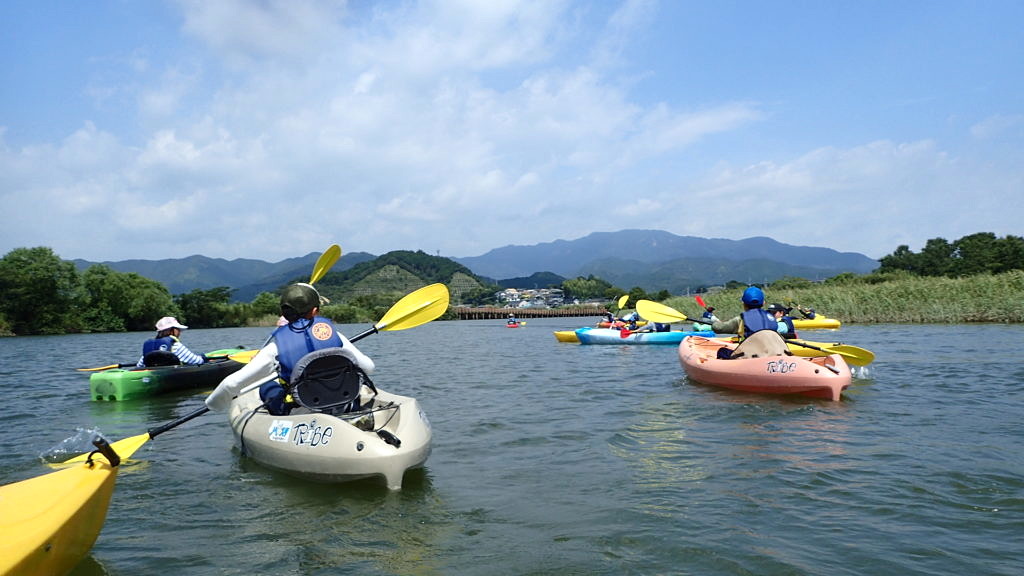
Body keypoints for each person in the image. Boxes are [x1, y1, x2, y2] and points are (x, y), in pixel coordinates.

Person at [205, 283, 374, 415]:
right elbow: (368, 367)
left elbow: (231, 384)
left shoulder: (276, 347)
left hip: (300, 411)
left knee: (266, 385)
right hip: (344, 404)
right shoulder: (336, 336)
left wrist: (213, 405)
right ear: (315, 311)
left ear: (284, 313)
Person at [137, 316, 207, 367]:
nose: (179, 332)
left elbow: (139, 366)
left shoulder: (150, 348)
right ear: (171, 330)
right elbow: (197, 361)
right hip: (172, 375)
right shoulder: (176, 346)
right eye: (178, 329)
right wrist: (204, 357)